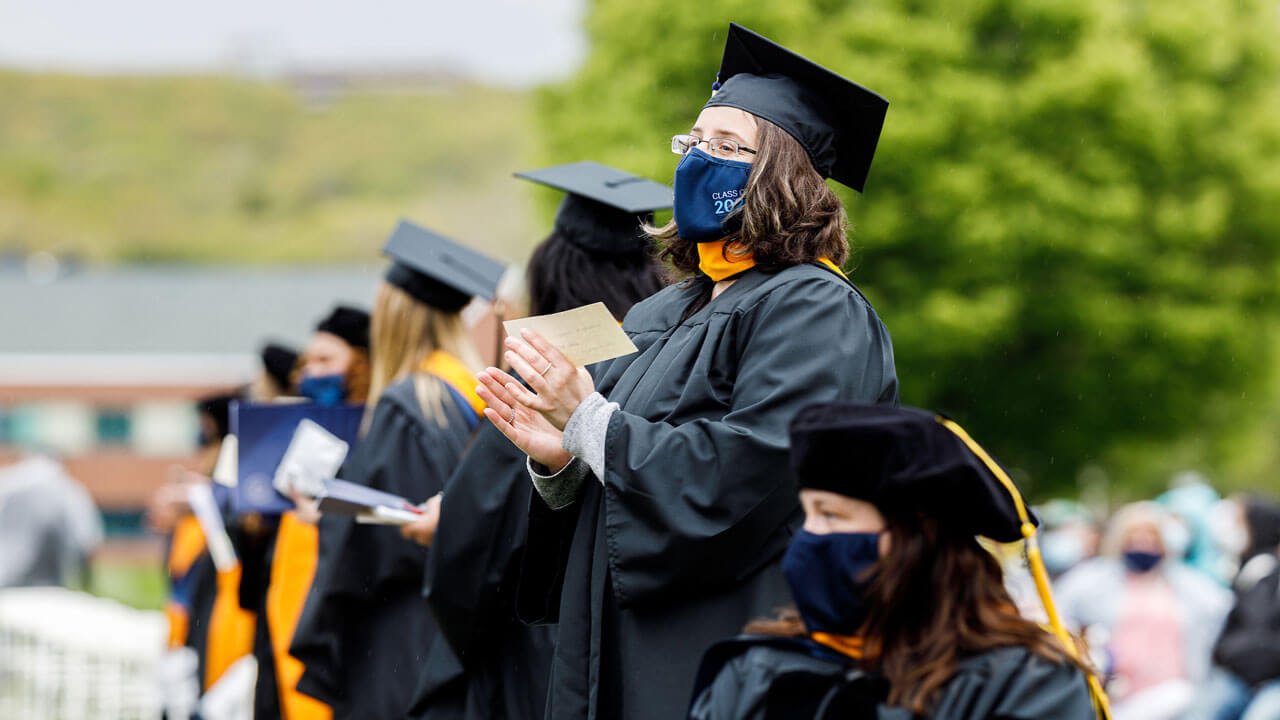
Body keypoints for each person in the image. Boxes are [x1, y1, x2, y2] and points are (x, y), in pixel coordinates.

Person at [476, 24, 899, 720]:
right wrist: (565, 460)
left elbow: (762, 471)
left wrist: (591, 423)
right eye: (693, 142)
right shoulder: (663, 309)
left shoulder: (814, 308)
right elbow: (612, 463)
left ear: (783, 175)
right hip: (617, 641)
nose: (700, 159)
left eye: (727, 147)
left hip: (725, 646)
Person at [404, 161, 672, 719]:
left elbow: (478, 546)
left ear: (552, 271)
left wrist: (447, 525)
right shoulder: (665, 362)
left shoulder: (547, 375)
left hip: (537, 657)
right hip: (640, 653)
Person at [687, 403, 1104, 719]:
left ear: (917, 536)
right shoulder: (758, 669)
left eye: (831, 516)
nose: (809, 537)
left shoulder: (1026, 683)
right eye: (807, 514)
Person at [290, 220, 504, 720]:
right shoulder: (471, 394)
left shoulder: (410, 405)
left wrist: (328, 518)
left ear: (395, 318)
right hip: (456, 632)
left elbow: (381, 543)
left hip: (399, 640)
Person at [251, 306, 371, 720]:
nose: (311, 373)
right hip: (285, 606)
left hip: (336, 620)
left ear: (361, 363)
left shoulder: (378, 433)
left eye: (326, 360)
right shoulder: (302, 435)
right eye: (308, 362)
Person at [1056, 501, 1232, 719]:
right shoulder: (1091, 579)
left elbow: (1225, 614)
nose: (1142, 545)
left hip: (1175, 694)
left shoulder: (1189, 583)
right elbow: (1058, 613)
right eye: (1135, 538)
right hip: (1113, 694)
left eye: (1150, 538)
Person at [1185, 496, 1280, 720]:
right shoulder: (1246, 570)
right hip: (1239, 675)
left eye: (1239, 522)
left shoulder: (1266, 573)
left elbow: (1261, 633)